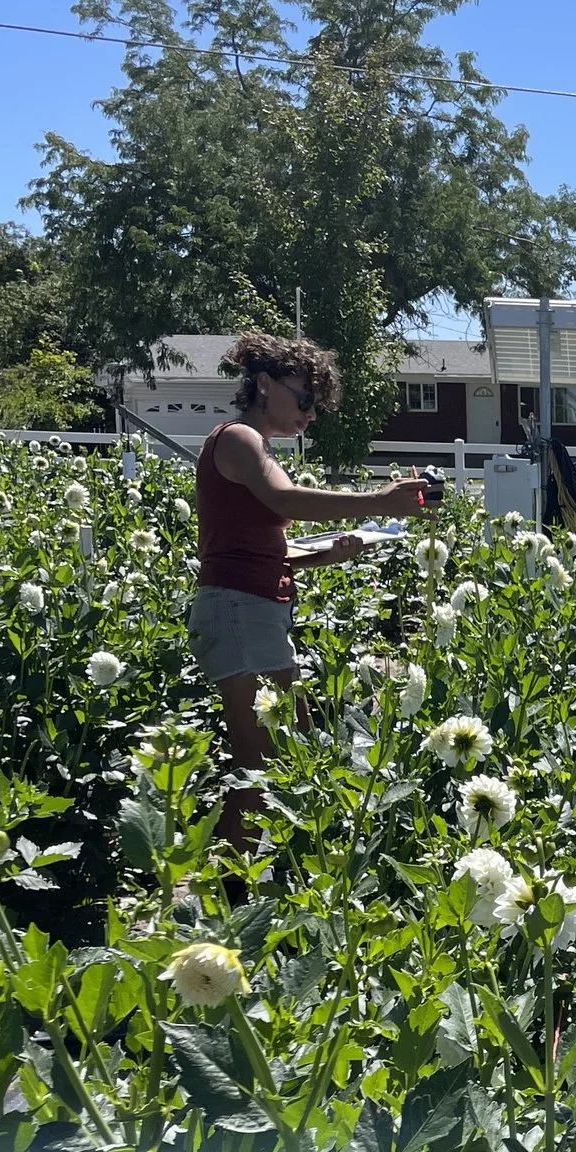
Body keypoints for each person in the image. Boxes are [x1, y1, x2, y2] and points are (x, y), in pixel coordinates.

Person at [192, 330, 434, 842]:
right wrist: (378, 501)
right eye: (305, 398)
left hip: (255, 610)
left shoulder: (261, 453)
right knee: (259, 763)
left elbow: (256, 548)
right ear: (263, 383)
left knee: (294, 744)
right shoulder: (237, 439)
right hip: (236, 612)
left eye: (317, 404)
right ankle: (221, 894)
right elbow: (284, 503)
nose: (311, 413)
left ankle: (251, 877)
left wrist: (327, 554)